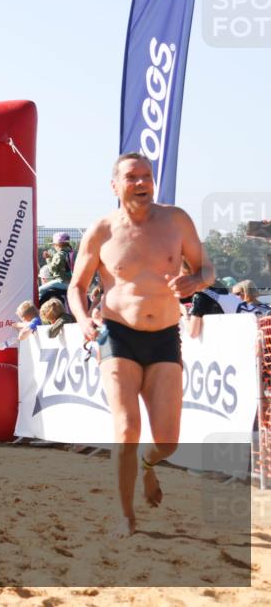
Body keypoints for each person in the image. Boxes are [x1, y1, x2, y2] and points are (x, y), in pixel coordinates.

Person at [68, 152, 214, 538]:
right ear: (114, 186)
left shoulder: (176, 220)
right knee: (127, 428)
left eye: (146, 176)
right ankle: (126, 517)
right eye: (132, 177)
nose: (141, 183)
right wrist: (83, 320)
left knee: (166, 441)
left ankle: (149, 466)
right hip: (118, 334)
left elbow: (207, 269)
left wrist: (194, 282)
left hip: (165, 335)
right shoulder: (101, 230)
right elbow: (76, 287)